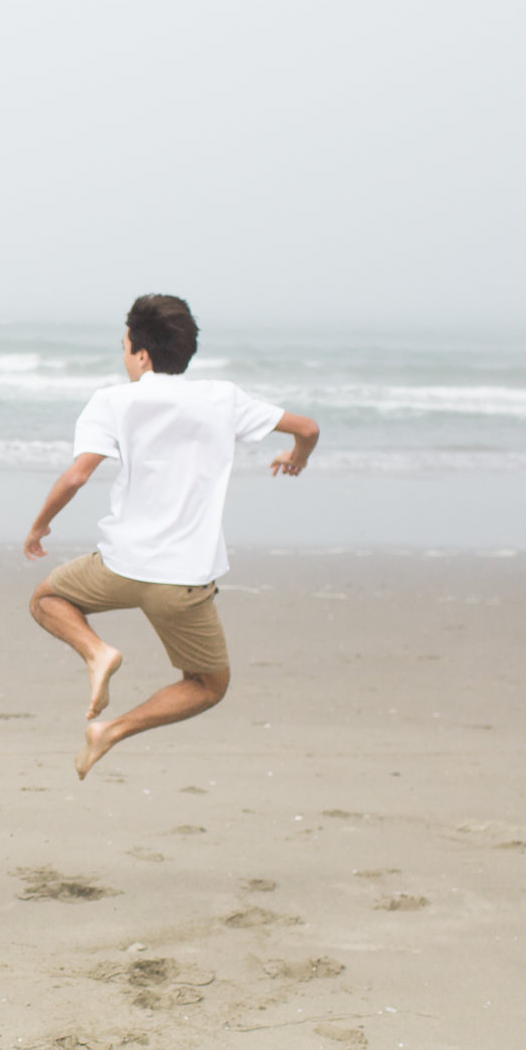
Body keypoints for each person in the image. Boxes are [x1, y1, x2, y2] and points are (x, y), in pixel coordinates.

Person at [24, 294, 318, 779]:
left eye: (124, 348)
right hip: (183, 582)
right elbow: (306, 428)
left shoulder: (112, 401)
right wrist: (296, 457)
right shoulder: (224, 398)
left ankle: (97, 652)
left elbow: (77, 476)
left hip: (118, 568)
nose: (124, 357)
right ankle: (111, 730)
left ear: (141, 354)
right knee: (207, 685)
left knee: (46, 598)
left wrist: (40, 525)